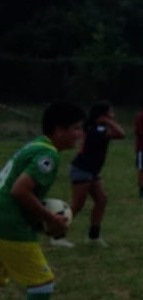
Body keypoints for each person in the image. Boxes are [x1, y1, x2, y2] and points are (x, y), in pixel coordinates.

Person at [0, 102, 85, 300]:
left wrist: (39, 222)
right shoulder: (47, 154)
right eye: (75, 128)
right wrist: (50, 218)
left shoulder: (34, 145)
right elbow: (19, 190)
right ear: (58, 130)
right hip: (9, 226)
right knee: (42, 282)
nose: (79, 134)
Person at [52, 101, 125, 248]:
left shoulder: (96, 127)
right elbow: (120, 134)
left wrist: (106, 121)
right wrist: (108, 121)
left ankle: (93, 236)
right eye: (110, 113)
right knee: (77, 205)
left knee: (101, 200)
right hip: (82, 169)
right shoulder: (97, 129)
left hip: (91, 170)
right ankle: (57, 235)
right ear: (102, 115)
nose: (113, 115)